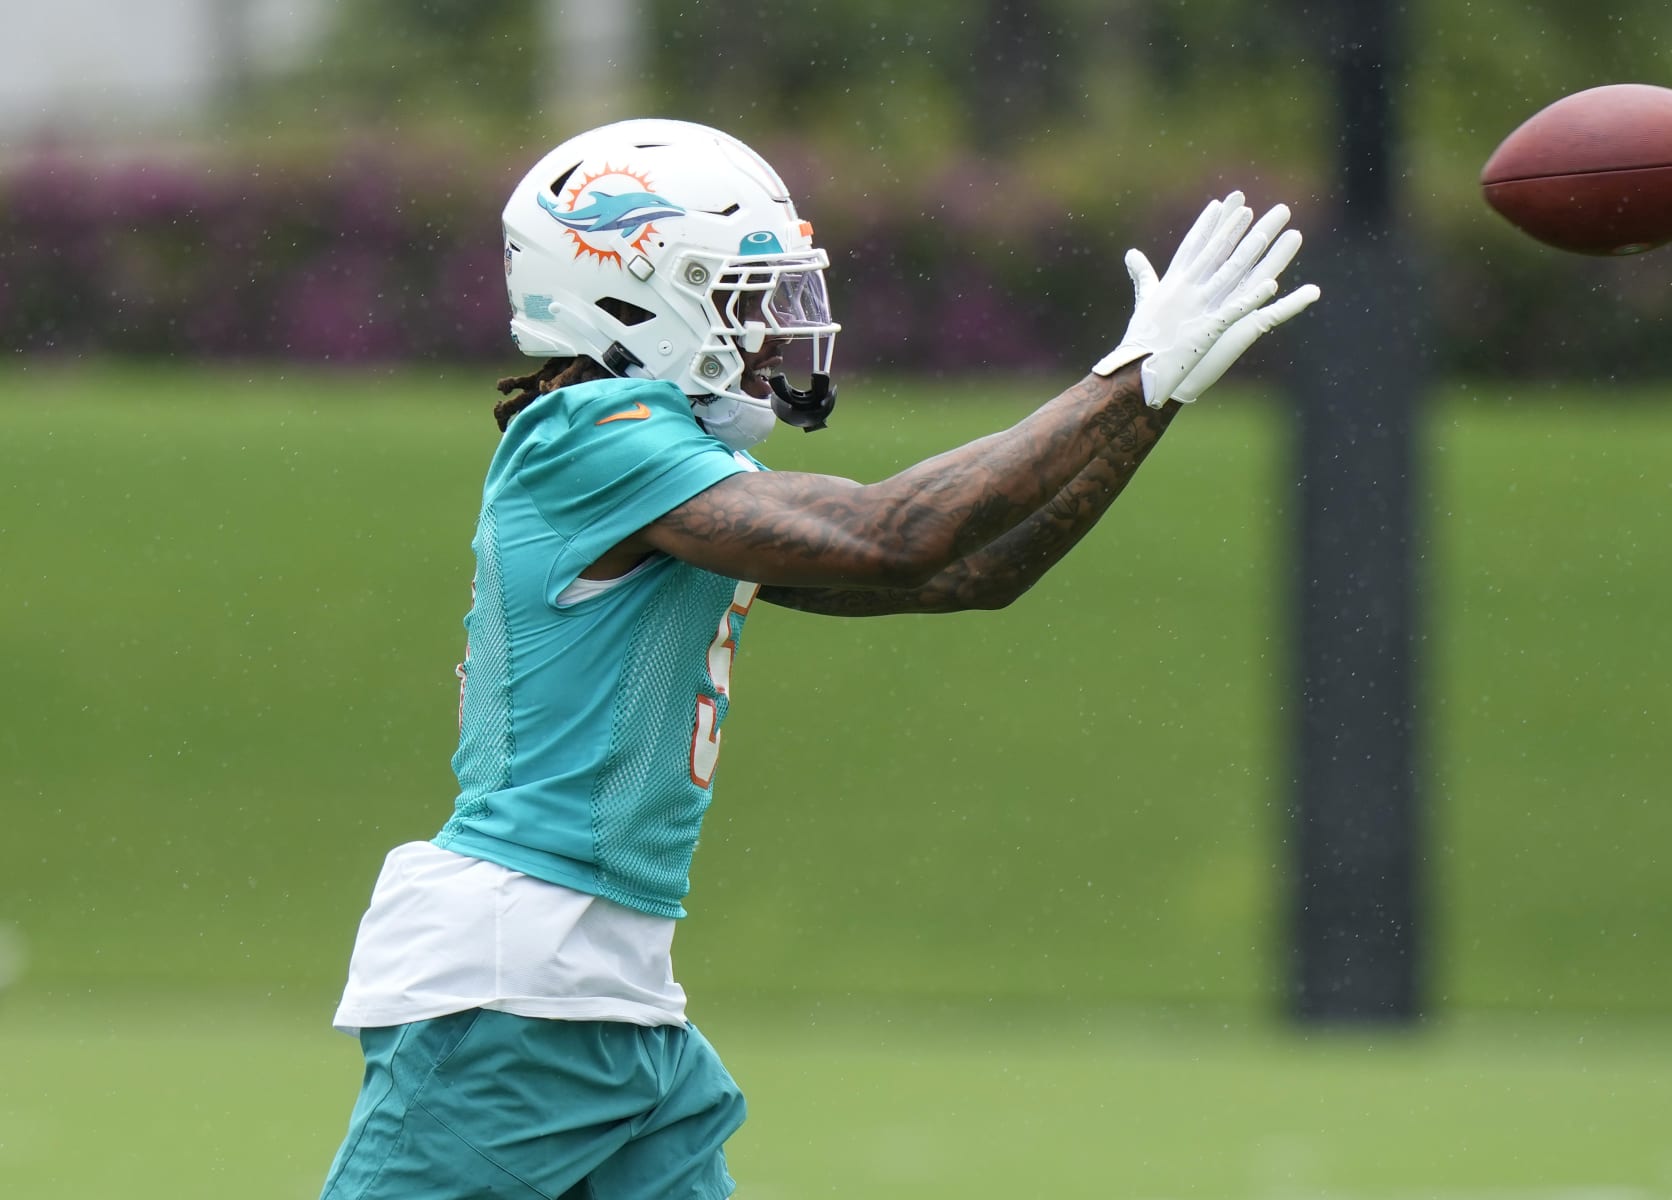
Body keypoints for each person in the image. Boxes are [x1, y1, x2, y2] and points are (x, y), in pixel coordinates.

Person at [316, 117, 1318, 1200]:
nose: (771, 331)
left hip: (611, 995)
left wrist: (1151, 402)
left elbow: (972, 573)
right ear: (627, 294)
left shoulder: (672, 467)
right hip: (511, 987)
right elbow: (895, 536)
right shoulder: (588, 436)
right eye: (739, 296)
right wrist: (1120, 376)